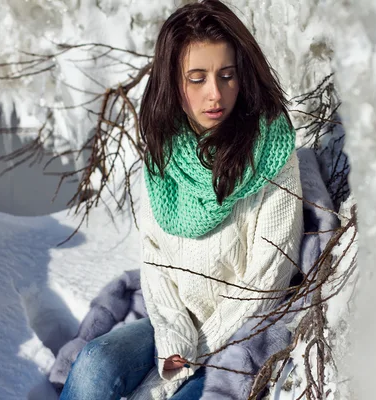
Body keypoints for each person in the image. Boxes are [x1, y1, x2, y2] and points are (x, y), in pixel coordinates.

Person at [60, 0, 303, 398]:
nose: (216, 94)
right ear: (174, 82)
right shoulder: (164, 155)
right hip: (178, 325)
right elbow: (153, 259)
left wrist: (190, 356)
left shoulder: (271, 153)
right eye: (197, 78)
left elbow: (266, 283)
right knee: (93, 365)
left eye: (227, 75)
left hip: (243, 333)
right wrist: (174, 336)